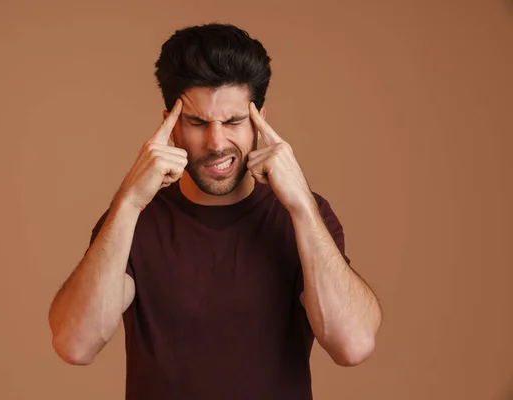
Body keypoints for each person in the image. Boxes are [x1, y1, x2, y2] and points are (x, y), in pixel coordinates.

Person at [48, 23, 383, 399]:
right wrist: (128, 201)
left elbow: (352, 345)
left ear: (261, 120)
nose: (216, 141)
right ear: (169, 127)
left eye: (234, 121)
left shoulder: (303, 215)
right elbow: (75, 345)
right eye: (197, 122)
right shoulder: (133, 219)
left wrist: (301, 205)